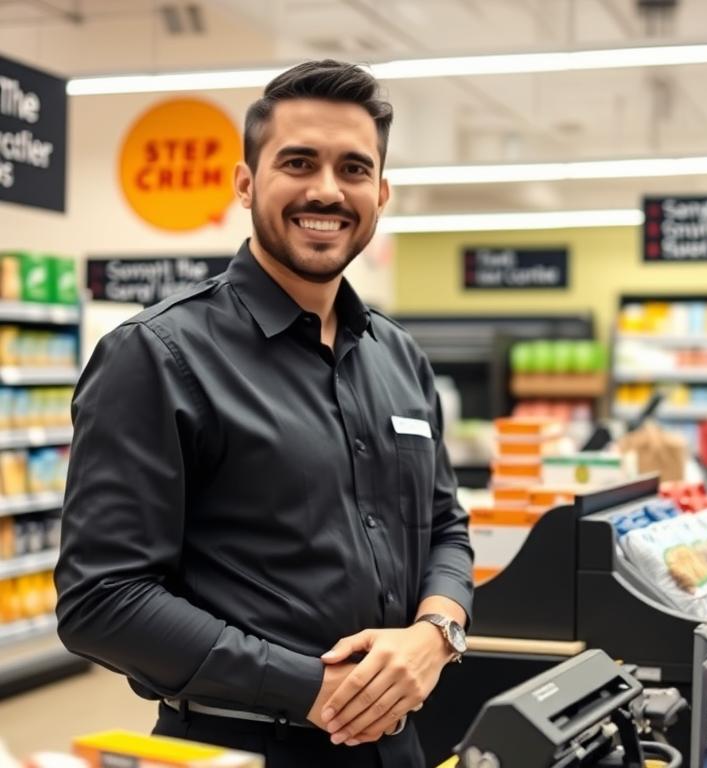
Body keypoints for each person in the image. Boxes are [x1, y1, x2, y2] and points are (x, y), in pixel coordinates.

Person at [55, 59, 474, 768]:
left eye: (353, 168)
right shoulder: (155, 356)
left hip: (399, 749)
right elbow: (102, 600)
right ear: (246, 184)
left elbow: (445, 529)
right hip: (236, 747)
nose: (326, 190)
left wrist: (436, 632)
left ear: (381, 191)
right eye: (299, 162)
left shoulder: (400, 358)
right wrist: (310, 685)